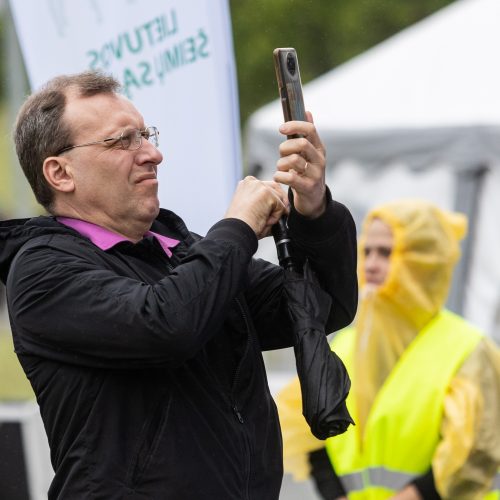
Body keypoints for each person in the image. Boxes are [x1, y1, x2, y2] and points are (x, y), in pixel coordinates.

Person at [0, 70, 358, 499]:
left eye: (146, 135)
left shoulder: (185, 251)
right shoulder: (42, 269)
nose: (152, 153)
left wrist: (315, 208)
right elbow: (166, 324)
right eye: (122, 141)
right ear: (60, 173)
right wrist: (238, 226)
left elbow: (323, 306)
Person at [276, 199, 500, 500]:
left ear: (424, 261)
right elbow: (311, 435)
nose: (370, 264)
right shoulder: (345, 346)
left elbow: (475, 452)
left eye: (386, 252)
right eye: (367, 251)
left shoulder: (468, 350)